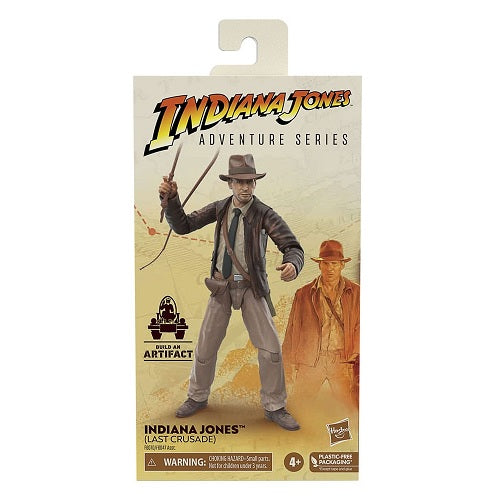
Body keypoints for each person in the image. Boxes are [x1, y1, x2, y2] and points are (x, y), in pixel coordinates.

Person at [159, 154, 304, 431]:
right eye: (239, 182)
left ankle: (275, 405)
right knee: (206, 345)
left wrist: (292, 265)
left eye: (249, 182)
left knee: (271, 349)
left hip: (252, 287)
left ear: (255, 183)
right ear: (230, 183)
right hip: (221, 286)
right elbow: (183, 226)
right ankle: (197, 396)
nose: (245, 187)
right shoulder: (220, 208)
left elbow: (292, 247)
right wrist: (172, 199)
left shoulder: (264, 214)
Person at [282, 240, 360, 407]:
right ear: (319, 265)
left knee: (349, 409)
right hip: (311, 360)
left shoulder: (357, 293)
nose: (330, 268)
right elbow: (292, 329)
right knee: (299, 407)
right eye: (326, 263)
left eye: (334, 264)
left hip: (342, 360)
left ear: (342, 265)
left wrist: (355, 354)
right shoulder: (303, 294)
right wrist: (288, 363)